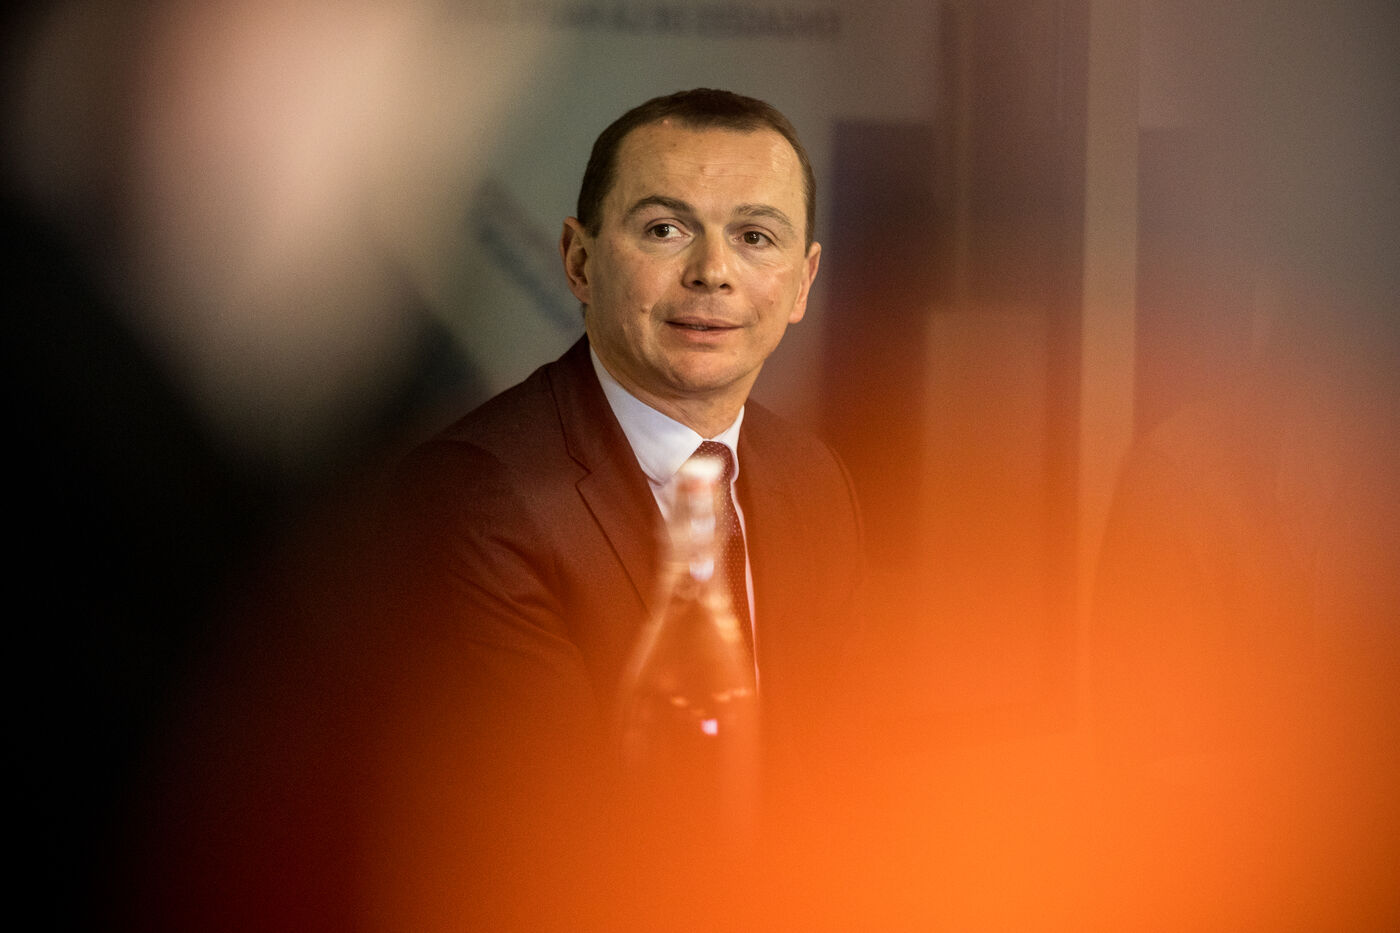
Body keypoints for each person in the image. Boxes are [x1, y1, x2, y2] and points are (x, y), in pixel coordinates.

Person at [370, 88, 866, 928]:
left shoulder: (815, 480)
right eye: (665, 229)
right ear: (578, 260)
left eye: (755, 236)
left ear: (802, 282)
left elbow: (839, 773)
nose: (712, 271)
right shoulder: (470, 499)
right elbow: (544, 840)